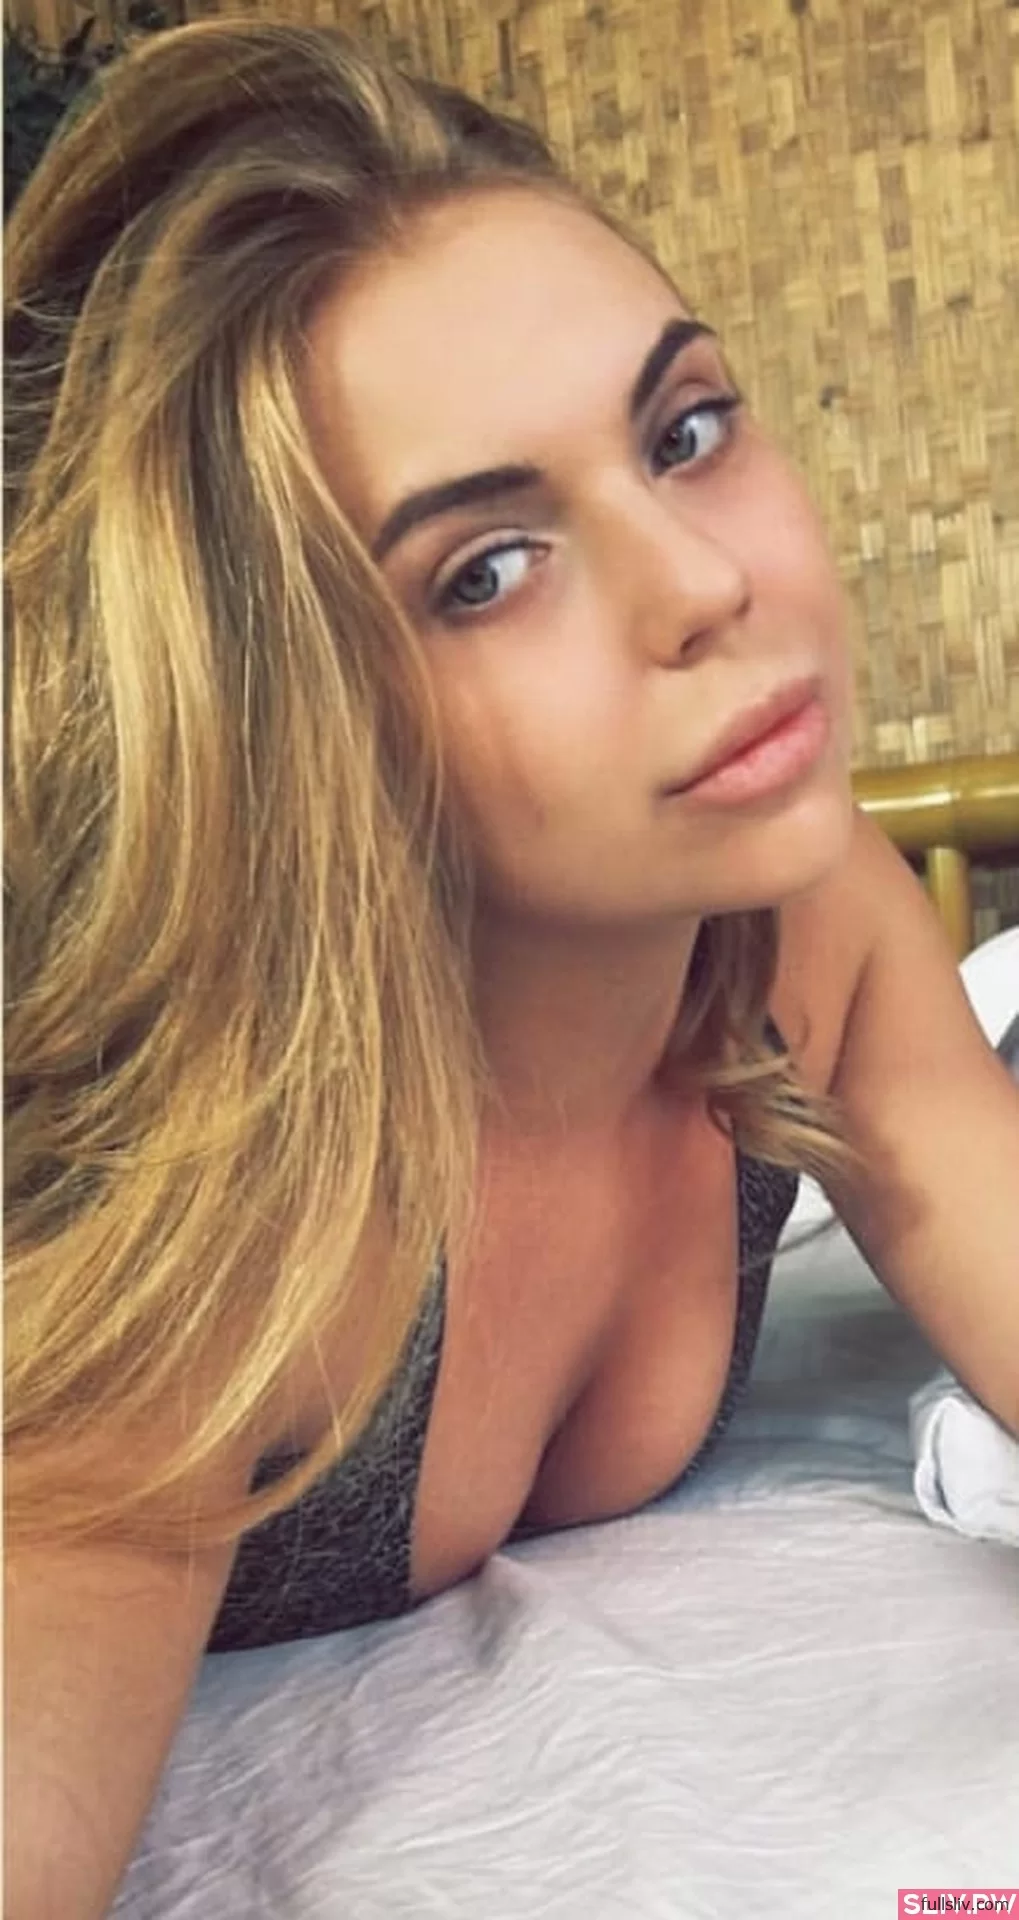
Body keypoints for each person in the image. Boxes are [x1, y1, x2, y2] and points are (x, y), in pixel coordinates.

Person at [5, 17, 1017, 1918]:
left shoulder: (801, 931)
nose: (701, 583)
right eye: (482, 568)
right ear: (286, 720)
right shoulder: (224, 1218)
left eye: (683, 430)